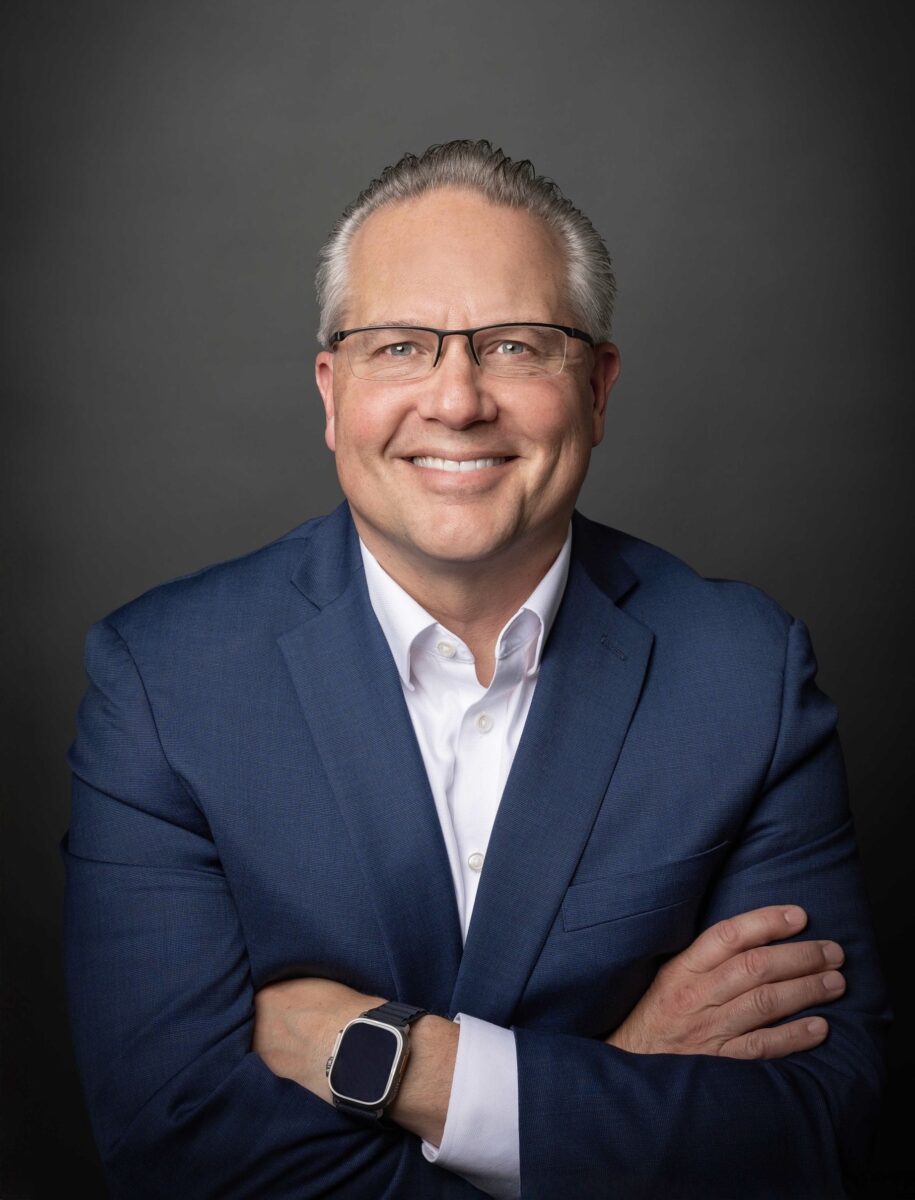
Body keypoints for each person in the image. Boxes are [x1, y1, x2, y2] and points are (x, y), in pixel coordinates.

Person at [63, 140, 889, 1199]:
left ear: (597, 389)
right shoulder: (163, 682)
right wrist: (620, 1075)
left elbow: (815, 1133)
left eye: (514, 346)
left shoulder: (744, 673)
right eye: (399, 347)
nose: (456, 402)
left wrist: (410, 1069)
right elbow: (179, 1157)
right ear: (332, 393)